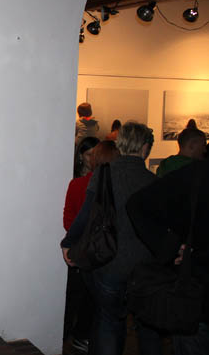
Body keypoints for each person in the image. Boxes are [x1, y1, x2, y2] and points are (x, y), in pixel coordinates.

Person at [61, 122, 159, 355]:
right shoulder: (152, 181)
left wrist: (68, 243)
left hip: (109, 260)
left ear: (120, 143)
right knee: (146, 326)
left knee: (108, 320)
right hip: (144, 265)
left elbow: (86, 214)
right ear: (145, 148)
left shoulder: (104, 174)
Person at [127, 160, 209, 355]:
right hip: (195, 298)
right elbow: (138, 205)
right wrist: (171, 249)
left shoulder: (195, 174)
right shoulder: (196, 175)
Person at [62, 140, 119, 352]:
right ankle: (73, 335)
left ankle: (79, 336)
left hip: (92, 249)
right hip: (90, 248)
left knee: (89, 300)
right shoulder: (79, 184)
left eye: (93, 155)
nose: (90, 158)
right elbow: (71, 218)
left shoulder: (93, 183)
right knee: (80, 297)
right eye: (87, 154)